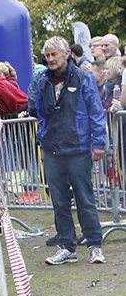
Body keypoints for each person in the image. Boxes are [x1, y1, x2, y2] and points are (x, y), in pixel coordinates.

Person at [28, 37, 108, 265]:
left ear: (66, 54)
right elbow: (40, 114)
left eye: (54, 55)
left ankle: (95, 245)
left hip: (79, 148)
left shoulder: (83, 77)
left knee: (85, 198)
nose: (50, 59)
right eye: (48, 56)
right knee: (60, 202)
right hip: (52, 149)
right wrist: (41, 141)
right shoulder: (43, 81)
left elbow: (96, 111)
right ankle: (66, 247)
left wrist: (98, 143)